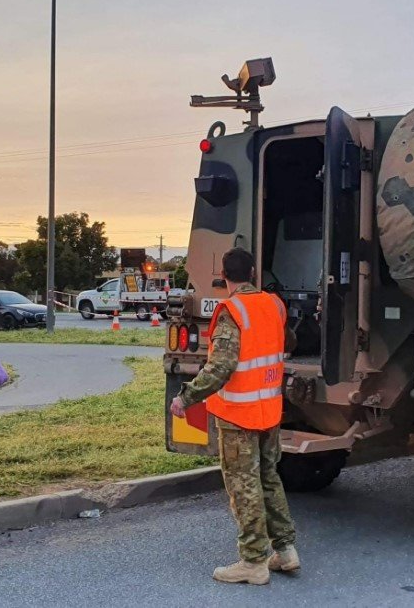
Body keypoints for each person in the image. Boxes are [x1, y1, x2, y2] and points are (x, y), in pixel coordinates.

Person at [169, 248, 298, 585]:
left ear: (223, 275)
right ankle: (285, 551)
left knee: (244, 486)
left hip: (239, 414)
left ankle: (253, 562)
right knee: (269, 478)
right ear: (254, 272)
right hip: (269, 409)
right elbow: (290, 340)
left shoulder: (233, 311)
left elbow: (221, 366)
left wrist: (186, 396)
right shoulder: (274, 305)